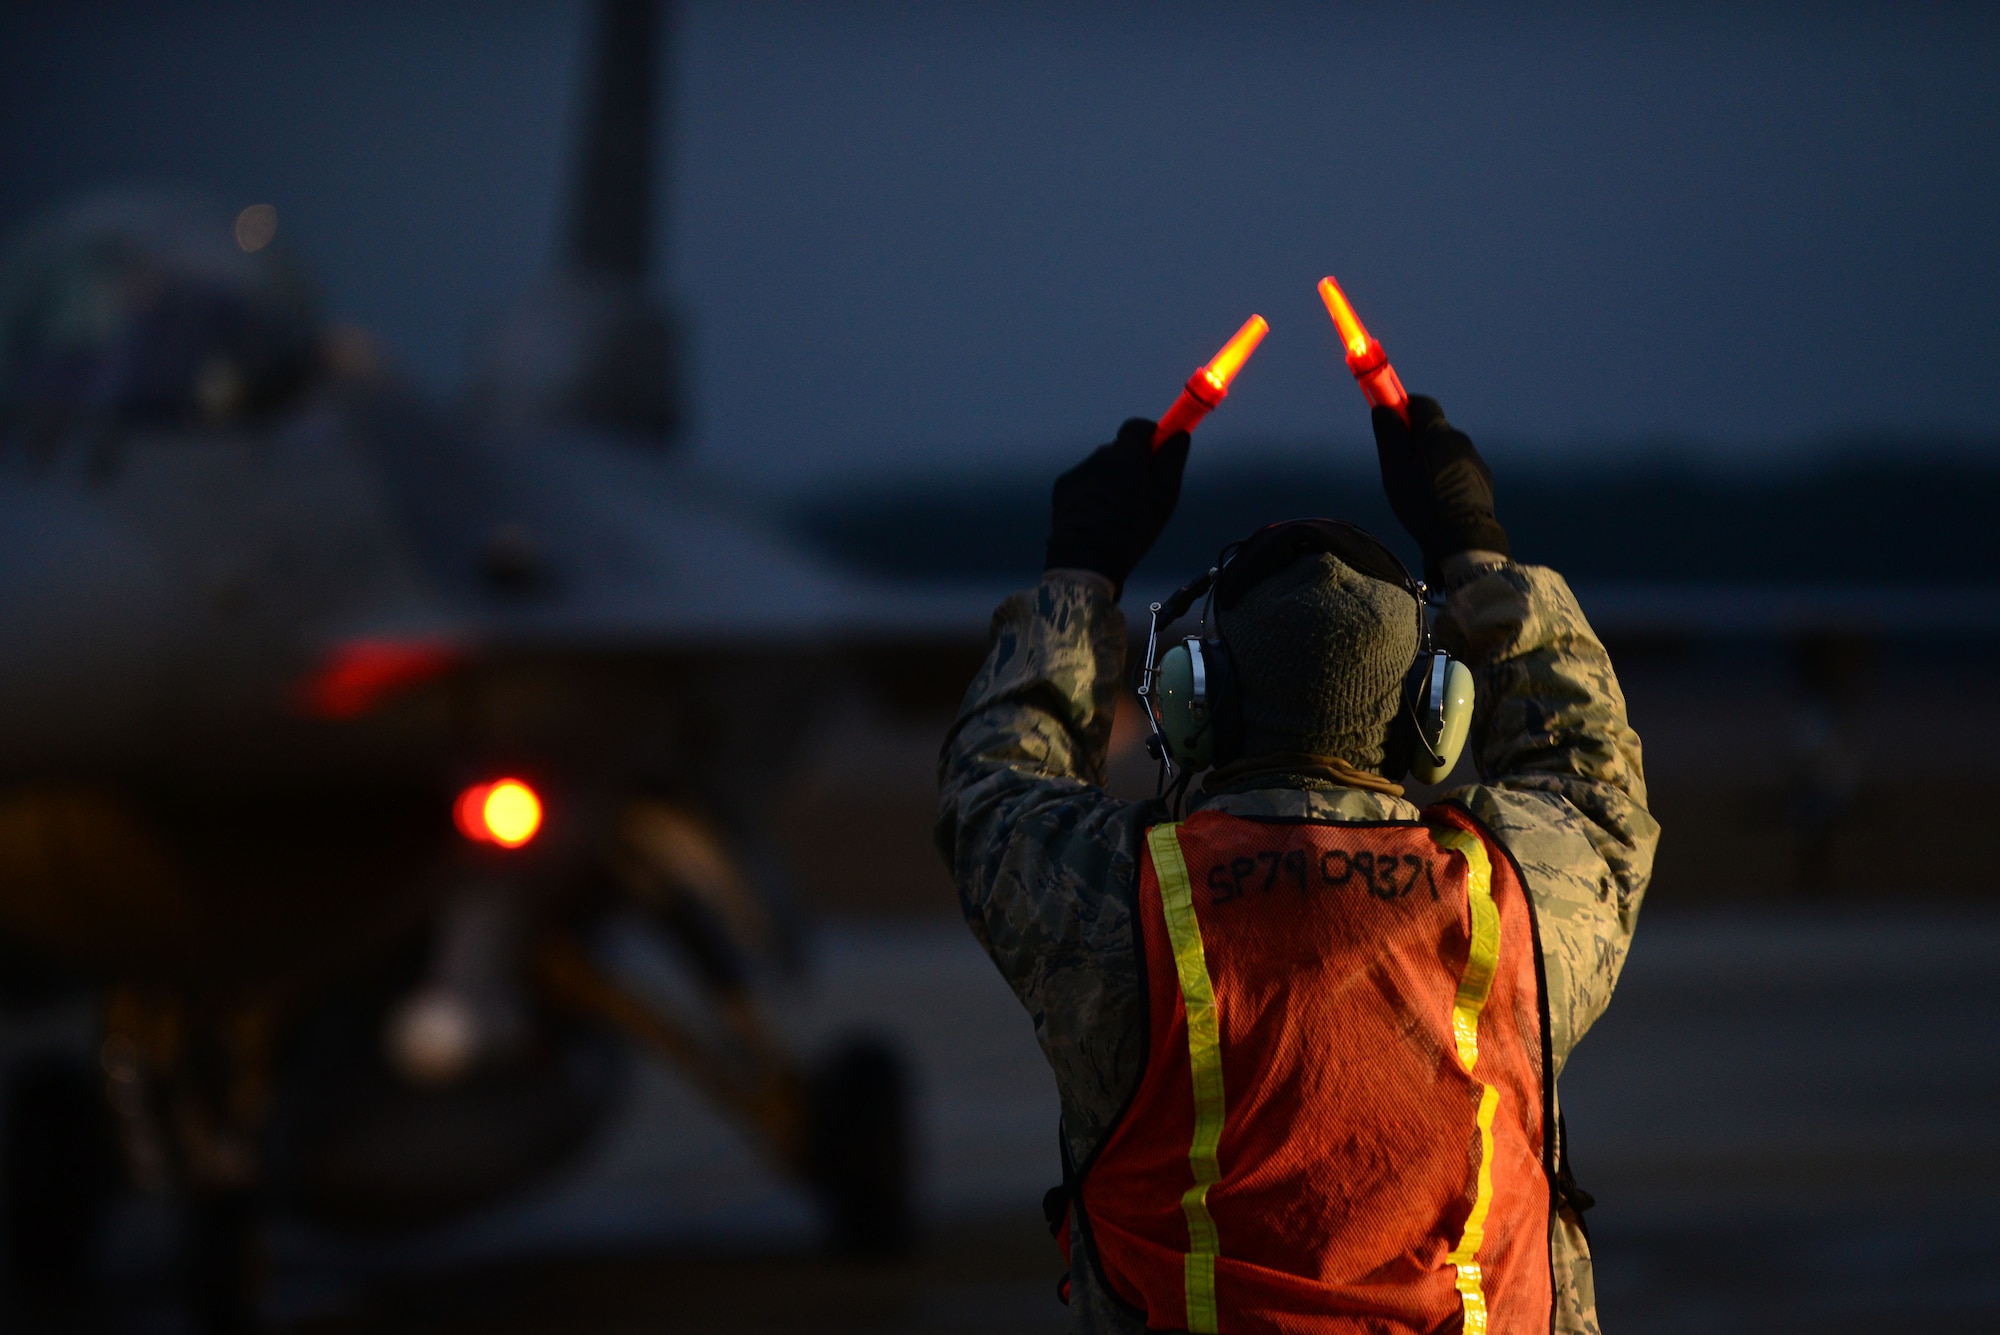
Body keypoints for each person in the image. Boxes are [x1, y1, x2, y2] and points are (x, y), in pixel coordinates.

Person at [937, 397, 1658, 1334]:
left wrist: (1080, 570)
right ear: (1427, 720)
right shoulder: (1510, 899)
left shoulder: (1125, 904)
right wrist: (1475, 548)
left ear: (1200, 707)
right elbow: (1592, 776)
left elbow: (993, 785)